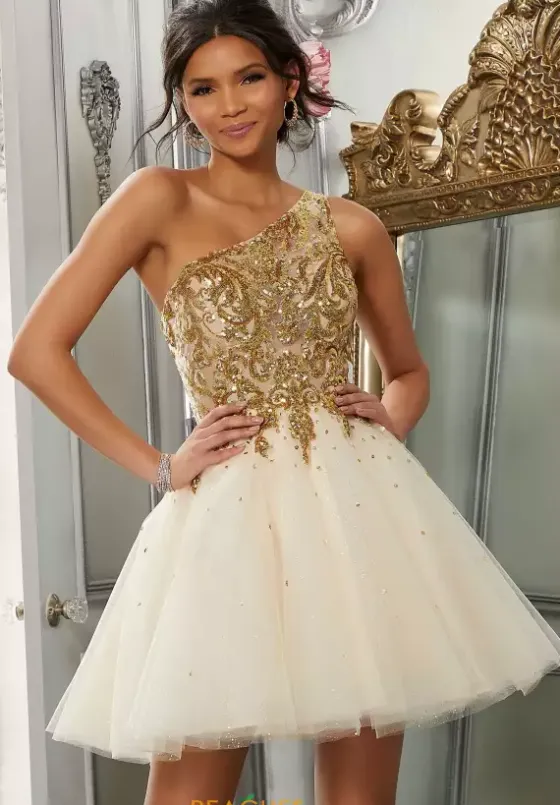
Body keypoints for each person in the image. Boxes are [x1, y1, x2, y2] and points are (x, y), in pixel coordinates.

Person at [7, 1, 560, 803]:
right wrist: (161, 465)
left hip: (360, 517)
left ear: (290, 82)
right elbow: (34, 353)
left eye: (250, 78)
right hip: (225, 517)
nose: (229, 105)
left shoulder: (351, 227)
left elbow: (409, 372)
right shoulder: (156, 199)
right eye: (202, 88)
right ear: (182, 101)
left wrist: (389, 417)